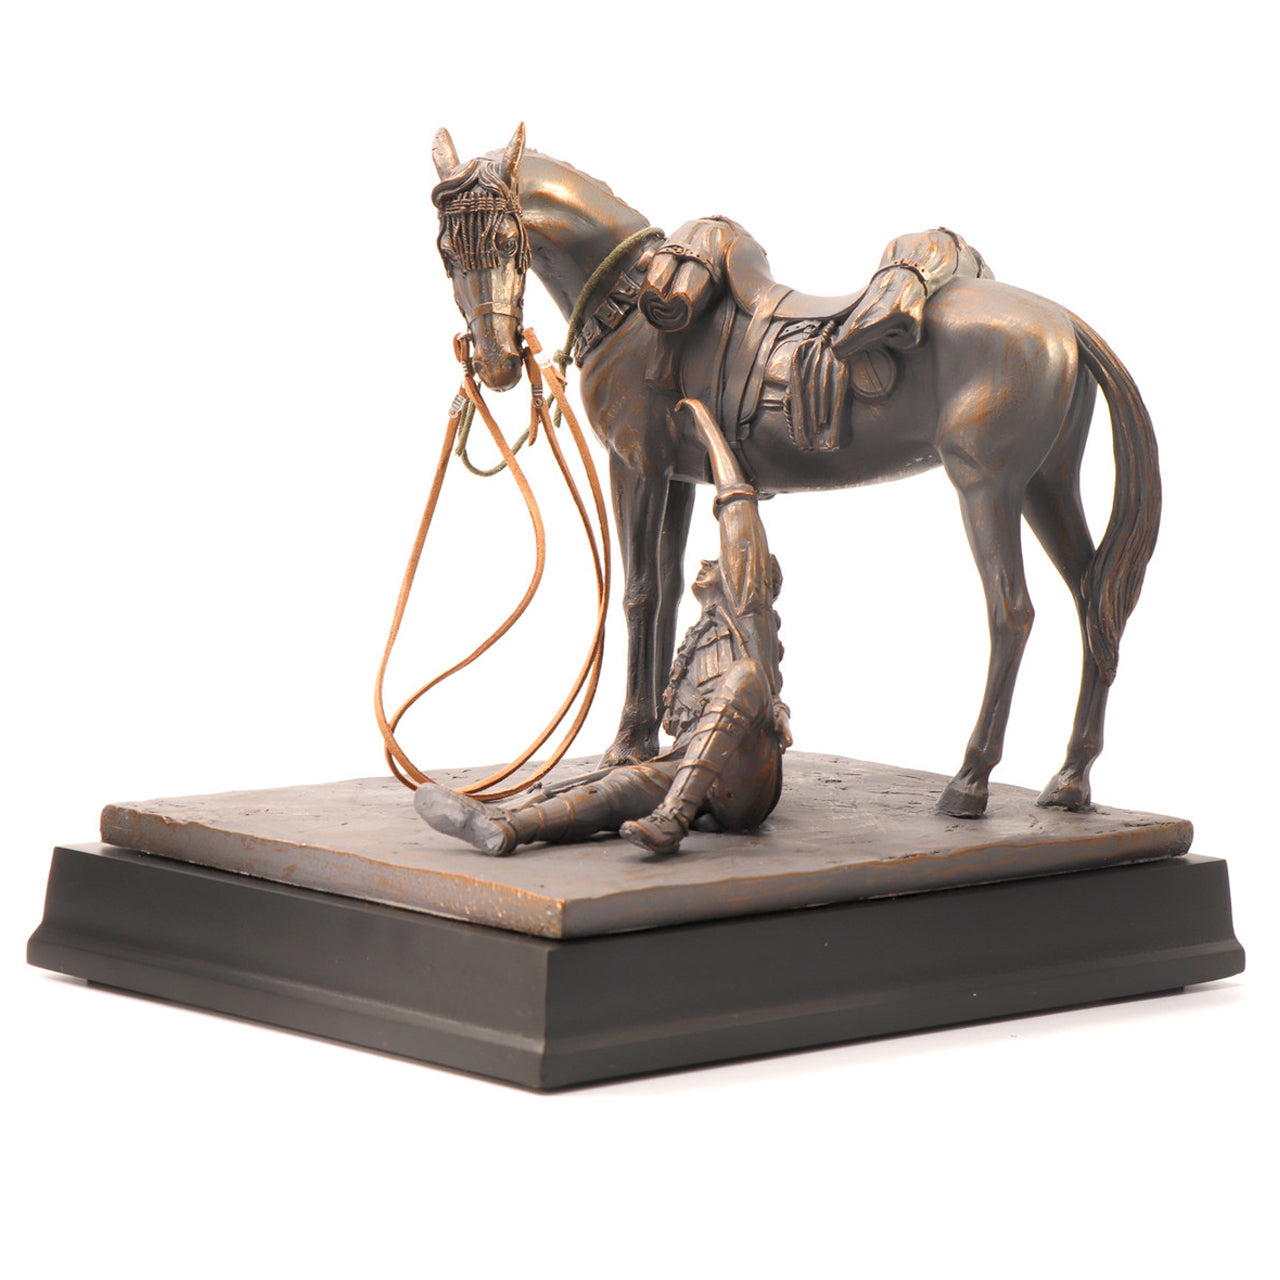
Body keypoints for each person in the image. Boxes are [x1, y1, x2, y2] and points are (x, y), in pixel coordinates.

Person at [414, 397, 790, 856]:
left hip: (750, 779)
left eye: (721, 563)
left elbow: (738, 510)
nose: (708, 563)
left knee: (746, 676)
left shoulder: (749, 611)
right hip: (695, 772)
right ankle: (508, 827)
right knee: (615, 787)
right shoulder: (700, 641)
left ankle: (672, 818)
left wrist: (708, 428)